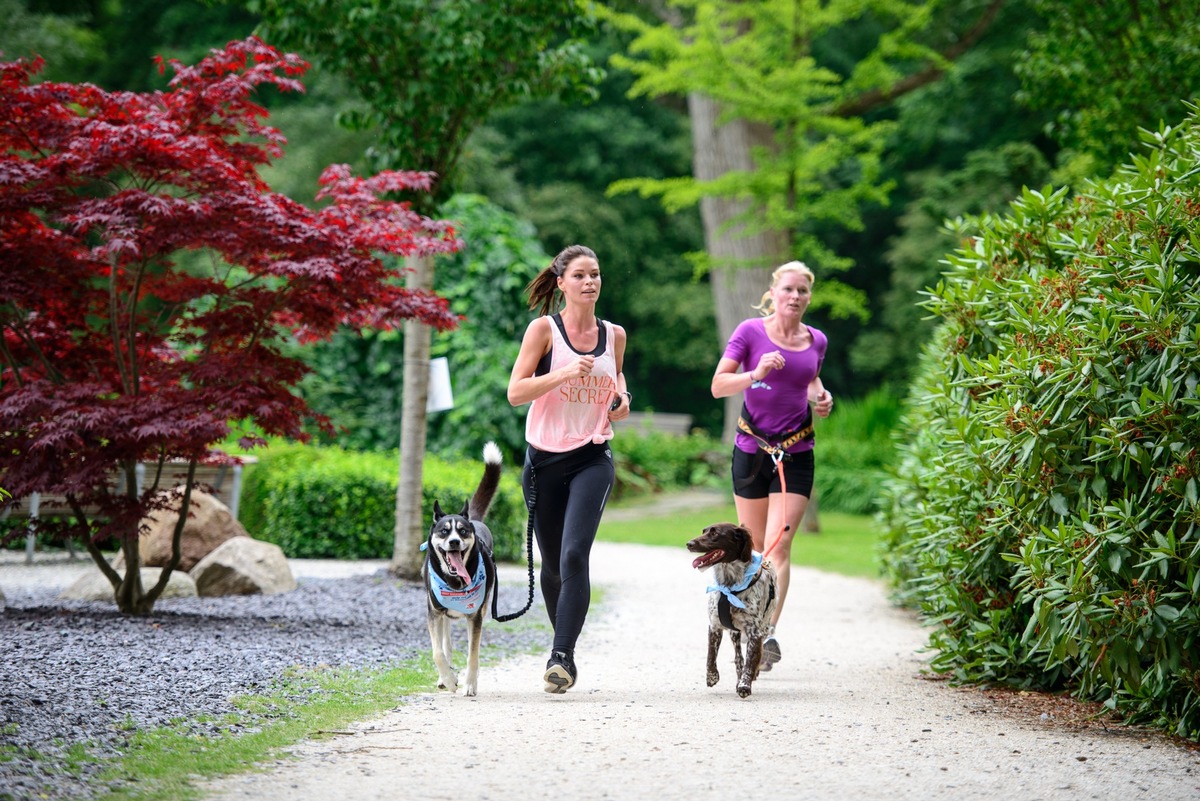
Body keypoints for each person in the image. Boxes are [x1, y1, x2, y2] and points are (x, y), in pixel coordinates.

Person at [507, 244, 631, 694]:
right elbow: (516, 392)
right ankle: (567, 651)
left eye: (595, 274)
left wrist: (622, 401)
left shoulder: (614, 334)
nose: (590, 282)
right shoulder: (544, 330)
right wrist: (562, 374)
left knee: (576, 554)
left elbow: (618, 382)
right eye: (579, 275)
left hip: (592, 457)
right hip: (543, 460)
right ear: (561, 284)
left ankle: (560, 657)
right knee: (554, 565)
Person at [710, 260, 833, 671]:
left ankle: (767, 632)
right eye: (788, 290)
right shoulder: (750, 333)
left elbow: (811, 378)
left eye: (802, 291)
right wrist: (755, 372)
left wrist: (821, 395)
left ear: (809, 297)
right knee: (755, 548)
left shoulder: (816, 340)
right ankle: (747, 620)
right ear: (773, 293)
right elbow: (718, 385)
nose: (795, 297)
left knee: (779, 544)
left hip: (795, 451)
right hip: (752, 448)